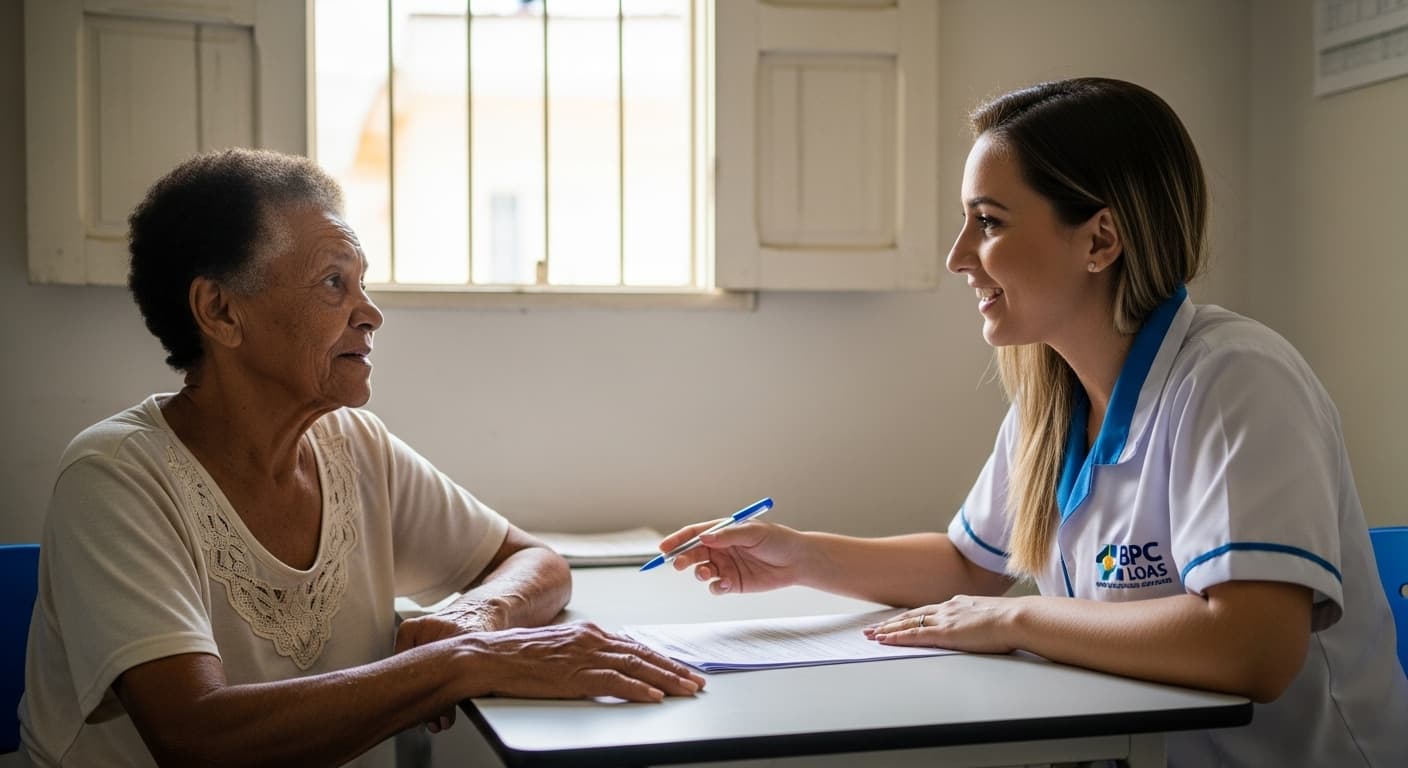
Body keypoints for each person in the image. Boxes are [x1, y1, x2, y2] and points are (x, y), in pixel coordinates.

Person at [659, 78, 1407, 766]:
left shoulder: (1239, 379)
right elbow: (967, 564)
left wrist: (1019, 621)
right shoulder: (1052, 398)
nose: (958, 258)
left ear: (1099, 240)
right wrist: (800, 557)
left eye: (987, 222)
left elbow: (1253, 649)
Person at [19, 148, 704, 767]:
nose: (370, 313)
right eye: (332, 284)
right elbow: (200, 739)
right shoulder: (114, 477)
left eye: (362, 284)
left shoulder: (353, 447)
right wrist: (466, 661)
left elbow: (534, 562)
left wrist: (477, 616)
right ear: (221, 311)